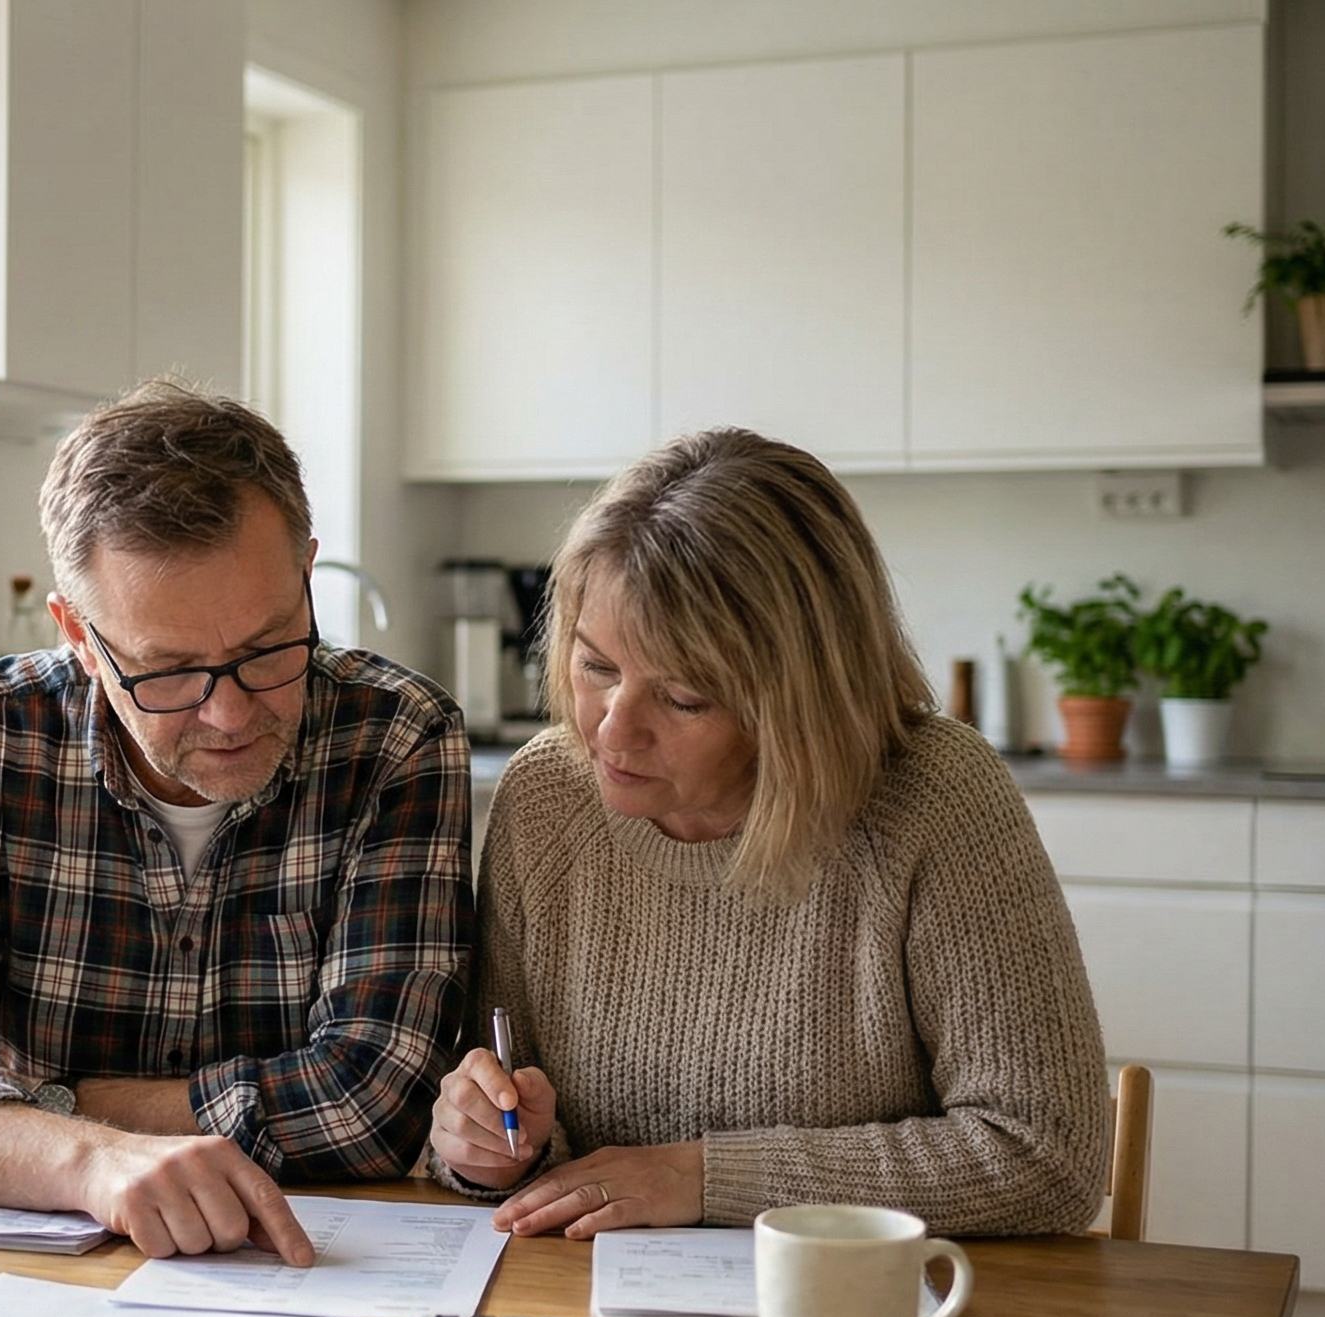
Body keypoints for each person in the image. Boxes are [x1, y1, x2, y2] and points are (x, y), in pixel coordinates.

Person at [0, 381, 474, 1265]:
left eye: (270, 648)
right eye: (168, 673)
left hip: (317, 1268)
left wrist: (39, 1104)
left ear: (307, 574)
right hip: (48, 1273)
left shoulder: (397, 737)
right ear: (78, 637)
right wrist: (91, 1160)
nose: (232, 715)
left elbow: (375, 1100)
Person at [428, 427, 1109, 1239]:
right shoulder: (548, 794)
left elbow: (1046, 1156)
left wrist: (705, 1178)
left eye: (683, 698)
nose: (612, 731)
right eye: (595, 666)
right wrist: (486, 1146)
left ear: (799, 702)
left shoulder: (933, 799)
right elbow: (524, 1131)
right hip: (601, 1310)